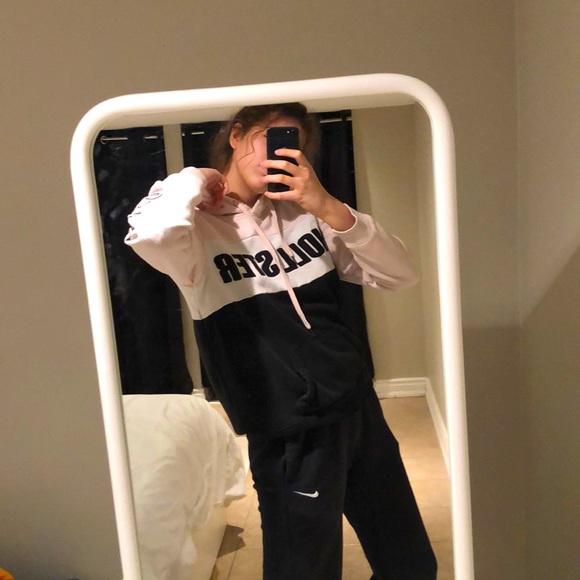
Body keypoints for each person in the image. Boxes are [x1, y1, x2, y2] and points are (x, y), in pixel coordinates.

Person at [125, 102, 437, 579]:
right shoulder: (194, 234)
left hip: (357, 408)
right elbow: (149, 232)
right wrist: (200, 178)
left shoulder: (307, 213)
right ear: (236, 135)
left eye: (290, 146)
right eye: (268, 138)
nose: (275, 154)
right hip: (287, 430)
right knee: (305, 571)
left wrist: (327, 206)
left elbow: (400, 273)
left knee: (410, 564)